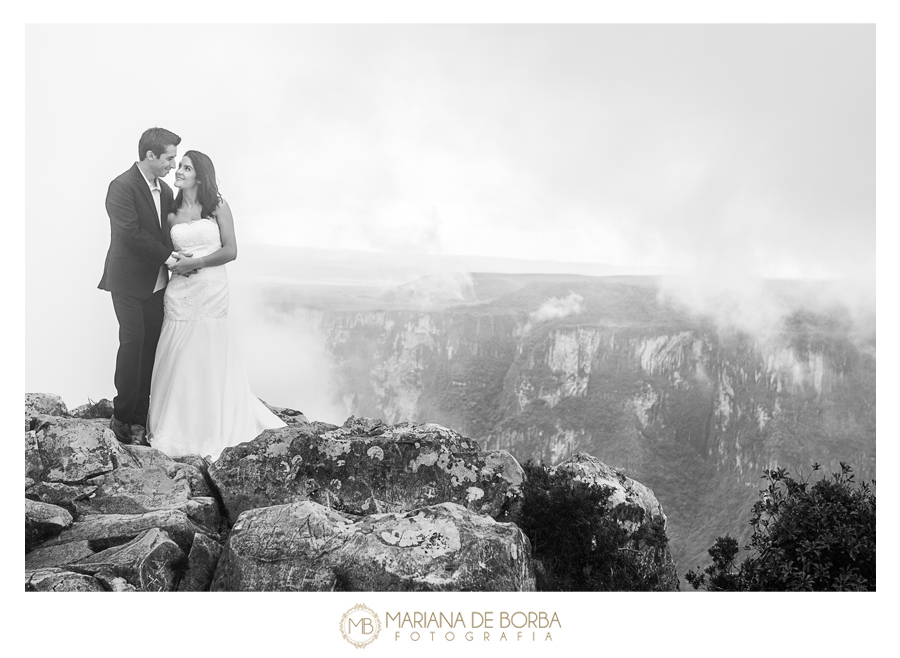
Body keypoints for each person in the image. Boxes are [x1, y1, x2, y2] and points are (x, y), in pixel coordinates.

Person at [147, 150, 286, 460]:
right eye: (179, 166)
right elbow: (167, 253)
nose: (179, 171)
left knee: (208, 351)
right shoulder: (170, 213)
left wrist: (199, 261)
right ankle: (177, 424)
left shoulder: (218, 207)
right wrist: (176, 264)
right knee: (178, 353)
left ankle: (212, 424)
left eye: (186, 168)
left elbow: (231, 250)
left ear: (200, 175)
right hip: (180, 291)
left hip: (211, 289)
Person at [99, 127, 191, 446]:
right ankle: (122, 415)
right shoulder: (121, 186)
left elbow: (167, 232)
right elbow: (130, 233)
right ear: (150, 156)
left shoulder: (165, 192)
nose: (172, 164)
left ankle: (141, 413)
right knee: (133, 341)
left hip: (158, 285)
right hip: (126, 281)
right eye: (169, 158)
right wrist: (169, 257)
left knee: (152, 346)